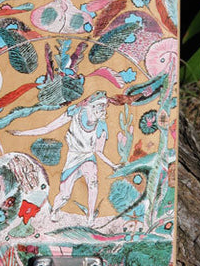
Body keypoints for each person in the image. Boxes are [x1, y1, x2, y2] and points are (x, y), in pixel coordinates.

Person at [9, 91, 119, 225]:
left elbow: (98, 151)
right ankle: (55, 210)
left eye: (105, 106)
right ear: (92, 105)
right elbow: (48, 128)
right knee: (65, 194)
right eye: (101, 105)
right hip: (73, 157)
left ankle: (90, 217)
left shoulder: (101, 125)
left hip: (88, 156)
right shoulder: (75, 112)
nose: (103, 109)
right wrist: (21, 133)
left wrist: (113, 165)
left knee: (93, 182)